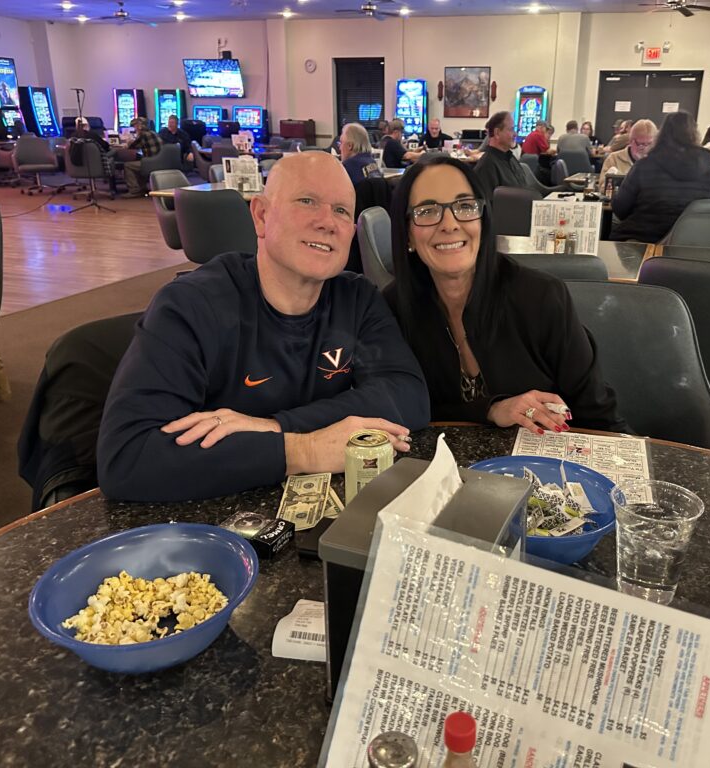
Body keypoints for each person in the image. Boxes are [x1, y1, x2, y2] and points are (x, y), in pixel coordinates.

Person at [97, 152, 431, 502]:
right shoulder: (192, 305)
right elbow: (128, 457)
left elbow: (408, 395)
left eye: (342, 211)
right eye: (307, 201)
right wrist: (303, 450)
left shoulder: (357, 298)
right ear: (261, 216)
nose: (327, 222)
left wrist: (275, 427)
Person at [384, 155, 625, 433]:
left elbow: (600, 417)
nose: (450, 224)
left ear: (483, 221)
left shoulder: (542, 298)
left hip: (550, 454)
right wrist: (492, 409)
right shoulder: (393, 308)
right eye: (427, 211)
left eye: (465, 206)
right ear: (407, 234)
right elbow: (401, 410)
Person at [610, 111, 710, 243]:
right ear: (695, 135)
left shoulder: (644, 165)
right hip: (690, 242)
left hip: (643, 240)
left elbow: (620, 209)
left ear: (661, 134)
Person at [474, 110, 532, 202]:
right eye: (511, 129)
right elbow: (489, 206)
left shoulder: (511, 158)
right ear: (497, 133)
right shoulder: (486, 166)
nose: (515, 134)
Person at [598, 119, 656, 190]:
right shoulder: (614, 159)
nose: (646, 149)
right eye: (641, 144)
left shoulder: (657, 161)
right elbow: (603, 188)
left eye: (650, 144)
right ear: (631, 141)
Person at [122, 117, 162, 197]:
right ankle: (142, 188)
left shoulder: (143, 135)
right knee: (139, 161)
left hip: (151, 163)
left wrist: (129, 142)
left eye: (135, 126)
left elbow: (132, 147)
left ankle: (135, 190)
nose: (134, 128)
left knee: (128, 165)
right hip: (159, 161)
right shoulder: (153, 133)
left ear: (140, 126)